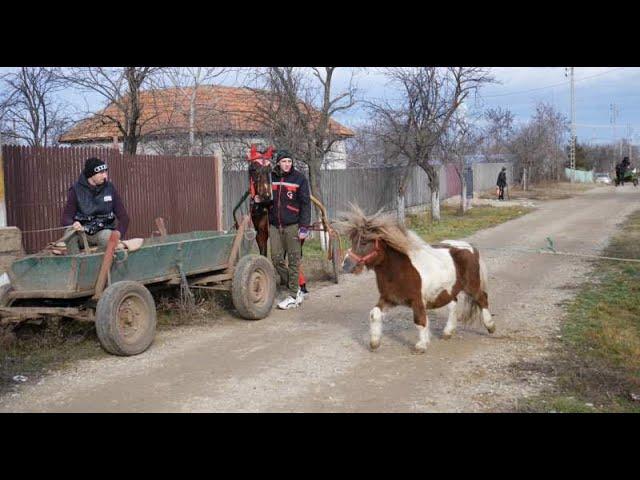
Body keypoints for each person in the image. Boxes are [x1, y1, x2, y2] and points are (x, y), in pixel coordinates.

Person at [268, 149, 311, 310]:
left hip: (293, 226)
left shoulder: (299, 179)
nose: (287, 164)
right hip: (274, 225)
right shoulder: (271, 177)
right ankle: (297, 288)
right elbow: (266, 197)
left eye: (289, 161)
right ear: (278, 162)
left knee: (294, 261)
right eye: (284, 161)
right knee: (276, 259)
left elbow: (306, 204)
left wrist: (304, 227)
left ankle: (293, 295)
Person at [61, 157, 130, 254]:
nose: (105, 176)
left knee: (109, 237)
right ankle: (77, 263)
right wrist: (73, 224)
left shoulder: (110, 188)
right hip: (82, 233)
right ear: (91, 175)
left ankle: (98, 263)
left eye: (105, 172)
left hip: (102, 232)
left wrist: (117, 234)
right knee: (69, 233)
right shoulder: (76, 190)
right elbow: (66, 218)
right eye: (101, 173)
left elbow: (124, 218)